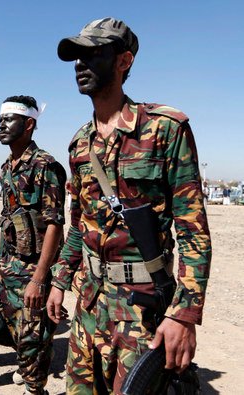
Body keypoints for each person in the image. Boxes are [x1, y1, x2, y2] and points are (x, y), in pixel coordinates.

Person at [47, 17, 212, 393]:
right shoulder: (79, 144)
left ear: (124, 61)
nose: (79, 65)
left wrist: (184, 315)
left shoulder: (165, 129)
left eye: (91, 55)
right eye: (76, 57)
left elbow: (193, 231)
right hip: (88, 302)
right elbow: (80, 224)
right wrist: (59, 281)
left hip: (141, 308)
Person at [0, 96, 66, 394]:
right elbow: (9, 218)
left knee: (30, 335)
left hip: (34, 265)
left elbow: (55, 225)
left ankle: (35, 384)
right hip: (7, 262)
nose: (1, 124)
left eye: (9, 118)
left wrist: (39, 278)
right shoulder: (7, 166)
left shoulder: (44, 165)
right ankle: (34, 350)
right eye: (0, 118)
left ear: (29, 124)